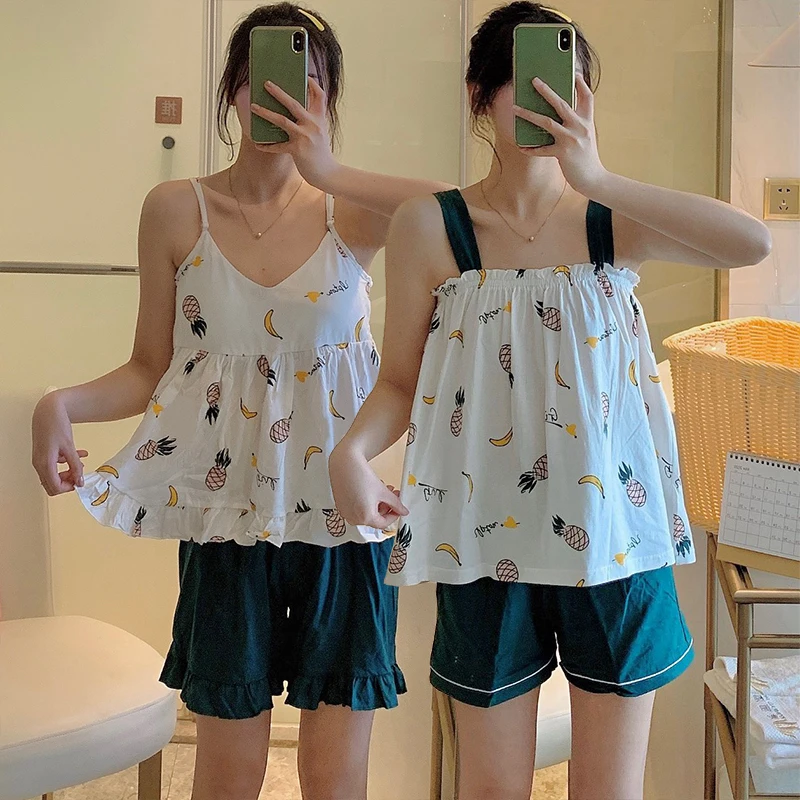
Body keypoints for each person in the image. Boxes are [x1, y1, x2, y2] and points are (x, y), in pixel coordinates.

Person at [329, 3, 772, 798]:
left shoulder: (611, 218)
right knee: (491, 788)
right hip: (481, 534)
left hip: (612, 537)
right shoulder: (431, 226)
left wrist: (597, 176)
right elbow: (399, 380)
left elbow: (753, 242)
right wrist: (351, 452)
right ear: (480, 95)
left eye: (566, 85)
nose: (547, 102)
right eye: (526, 84)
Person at [31, 4, 451, 799]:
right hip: (225, 514)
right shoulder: (175, 209)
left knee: (335, 774)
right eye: (263, 79)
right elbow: (150, 368)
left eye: (306, 84)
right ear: (232, 89)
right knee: (227, 771)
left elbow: (456, 210)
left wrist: (327, 168)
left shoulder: (353, 212)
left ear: (326, 102)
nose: (280, 97)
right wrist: (61, 402)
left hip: (344, 517)